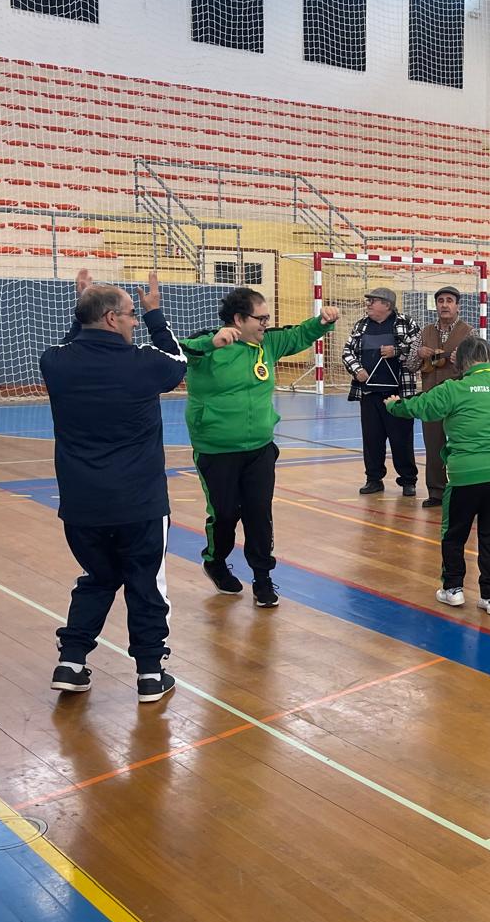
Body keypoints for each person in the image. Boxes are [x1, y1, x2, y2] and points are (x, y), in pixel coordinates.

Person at [40, 270, 186, 702]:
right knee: (145, 582)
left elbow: (70, 344)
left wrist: (81, 309)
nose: (135, 321)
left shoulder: (55, 363)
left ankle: (71, 662)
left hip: (82, 505)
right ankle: (150, 673)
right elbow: (178, 361)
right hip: (140, 503)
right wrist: (156, 314)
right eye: (130, 314)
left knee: (99, 577)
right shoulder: (144, 363)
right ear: (110, 318)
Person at [181, 287, 339, 609]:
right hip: (216, 450)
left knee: (259, 514)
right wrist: (211, 344)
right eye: (261, 318)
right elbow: (177, 350)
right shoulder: (206, 345)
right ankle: (215, 561)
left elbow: (297, 336)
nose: (266, 324)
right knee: (225, 514)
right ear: (239, 319)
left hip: (260, 449)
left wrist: (322, 322)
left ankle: (262, 578)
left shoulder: (267, 343)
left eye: (267, 318)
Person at [386, 337, 490, 616]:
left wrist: (394, 405)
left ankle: (453, 589)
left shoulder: (454, 388)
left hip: (467, 474)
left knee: (454, 533)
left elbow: (419, 407)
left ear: (462, 361)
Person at [341, 286, 420, 497]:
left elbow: (418, 352)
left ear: (386, 305)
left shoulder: (406, 323)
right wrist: (357, 370)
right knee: (372, 439)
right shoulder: (361, 324)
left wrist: (397, 351)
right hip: (369, 394)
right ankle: (373, 479)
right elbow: (347, 351)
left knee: (401, 439)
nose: (368, 304)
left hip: (398, 394)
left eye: (372, 301)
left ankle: (408, 480)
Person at [414, 285, 473, 508]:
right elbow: (409, 365)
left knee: (463, 445)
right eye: (440, 301)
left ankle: (465, 489)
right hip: (432, 398)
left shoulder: (469, 333)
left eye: (449, 300)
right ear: (436, 305)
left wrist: (461, 360)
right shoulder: (424, 332)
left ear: (458, 306)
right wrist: (418, 353)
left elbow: (478, 365)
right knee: (433, 447)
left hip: (460, 399)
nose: (445, 305)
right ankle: (436, 492)